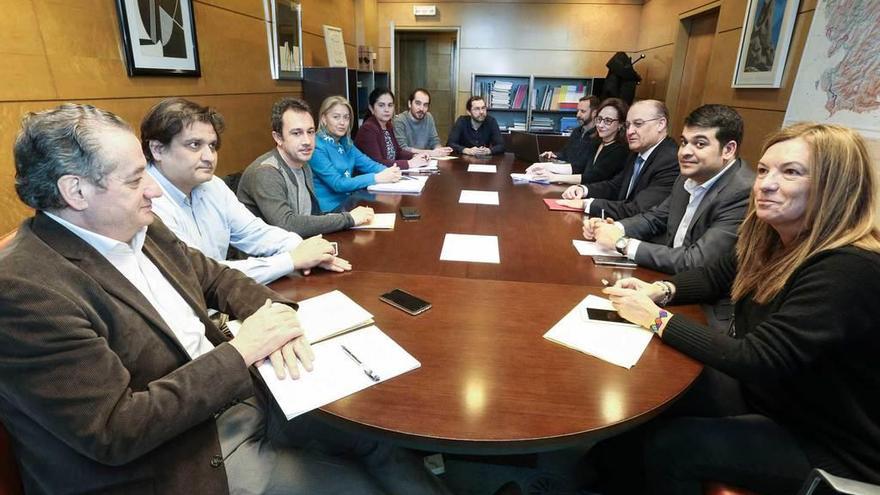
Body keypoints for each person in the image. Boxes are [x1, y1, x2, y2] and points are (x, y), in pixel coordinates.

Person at [0, 103, 451, 494]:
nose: (154, 190)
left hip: (230, 400)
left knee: (375, 436)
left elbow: (213, 276)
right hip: (170, 461)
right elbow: (116, 430)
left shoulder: (138, 224)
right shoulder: (26, 291)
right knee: (356, 485)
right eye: (137, 179)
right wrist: (242, 351)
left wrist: (273, 312)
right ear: (75, 191)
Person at [601, 123, 880, 494]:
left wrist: (655, 318)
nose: (764, 183)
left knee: (672, 445)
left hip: (828, 439)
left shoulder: (849, 266)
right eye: (763, 170)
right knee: (650, 389)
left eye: (791, 172)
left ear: (836, 186)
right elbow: (715, 277)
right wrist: (661, 290)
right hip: (774, 397)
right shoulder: (773, 234)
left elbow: (759, 357)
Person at [143, 98, 350, 285]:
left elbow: (255, 232)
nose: (210, 157)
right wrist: (291, 260)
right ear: (158, 149)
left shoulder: (212, 185)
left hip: (226, 295)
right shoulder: (146, 203)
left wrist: (301, 249)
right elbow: (202, 275)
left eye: (213, 146)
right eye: (195, 145)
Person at [584, 104, 754, 275]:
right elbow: (655, 218)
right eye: (684, 142)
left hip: (702, 292)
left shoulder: (742, 192)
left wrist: (623, 244)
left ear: (728, 150)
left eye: (700, 144)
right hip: (668, 277)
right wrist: (614, 228)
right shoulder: (687, 177)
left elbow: (696, 261)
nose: (685, 152)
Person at [237, 97, 375, 238]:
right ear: (278, 138)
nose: (307, 141)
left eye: (310, 132)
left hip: (299, 245)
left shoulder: (303, 164)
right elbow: (287, 224)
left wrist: (349, 217)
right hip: (267, 256)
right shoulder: (266, 172)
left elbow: (313, 214)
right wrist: (348, 219)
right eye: (297, 133)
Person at [558, 99, 679, 219]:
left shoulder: (670, 160)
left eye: (638, 124)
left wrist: (587, 204)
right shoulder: (637, 152)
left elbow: (639, 209)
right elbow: (616, 186)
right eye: (628, 125)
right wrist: (583, 190)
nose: (630, 131)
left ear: (661, 124)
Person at [310, 96, 402, 213]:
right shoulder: (316, 147)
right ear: (323, 119)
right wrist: (376, 178)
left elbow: (369, 164)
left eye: (346, 118)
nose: (342, 122)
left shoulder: (346, 143)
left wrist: (391, 172)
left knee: (390, 209)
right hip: (330, 212)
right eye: (336, 117)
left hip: (349, 202)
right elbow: (338, 184)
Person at [527, 97, 628, 185]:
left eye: (608, 121)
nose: (601, 125)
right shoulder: (597, 142)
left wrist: (554, 177)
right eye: (599, 119)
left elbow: (593, 177)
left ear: (621, 124)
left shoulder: (620, 150)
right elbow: (579, 167)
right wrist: (544, 166)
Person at [354, 88, 430, 169]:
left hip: (388, 175)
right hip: (371, 178)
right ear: (371, 108)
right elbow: (377, 163)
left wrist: (415, 156)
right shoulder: (368, 129)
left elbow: (398, 152)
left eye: (390, 105)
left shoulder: (388, 125)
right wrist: (409, 163)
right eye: (381, 105)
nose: (387, 110)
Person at [537, 95, 599, 166]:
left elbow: (584, 164)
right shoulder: (576, 131)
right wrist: (553, 154)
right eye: (578, 111)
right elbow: (565, 154)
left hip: (577, 175)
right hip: (566, 170)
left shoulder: (597, 136)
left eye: (583, 111)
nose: (578, 115)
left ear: (594, 113)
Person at [392, 88, 453, 156]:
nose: (421, 108)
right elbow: (402, 149)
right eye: (418, 103)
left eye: (425, 105)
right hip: (408, 162)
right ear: (409, 104)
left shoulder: (429, 117)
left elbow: (434, 141)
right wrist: (431, 153)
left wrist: (440, 150)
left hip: (427, 162)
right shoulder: (399, 120)